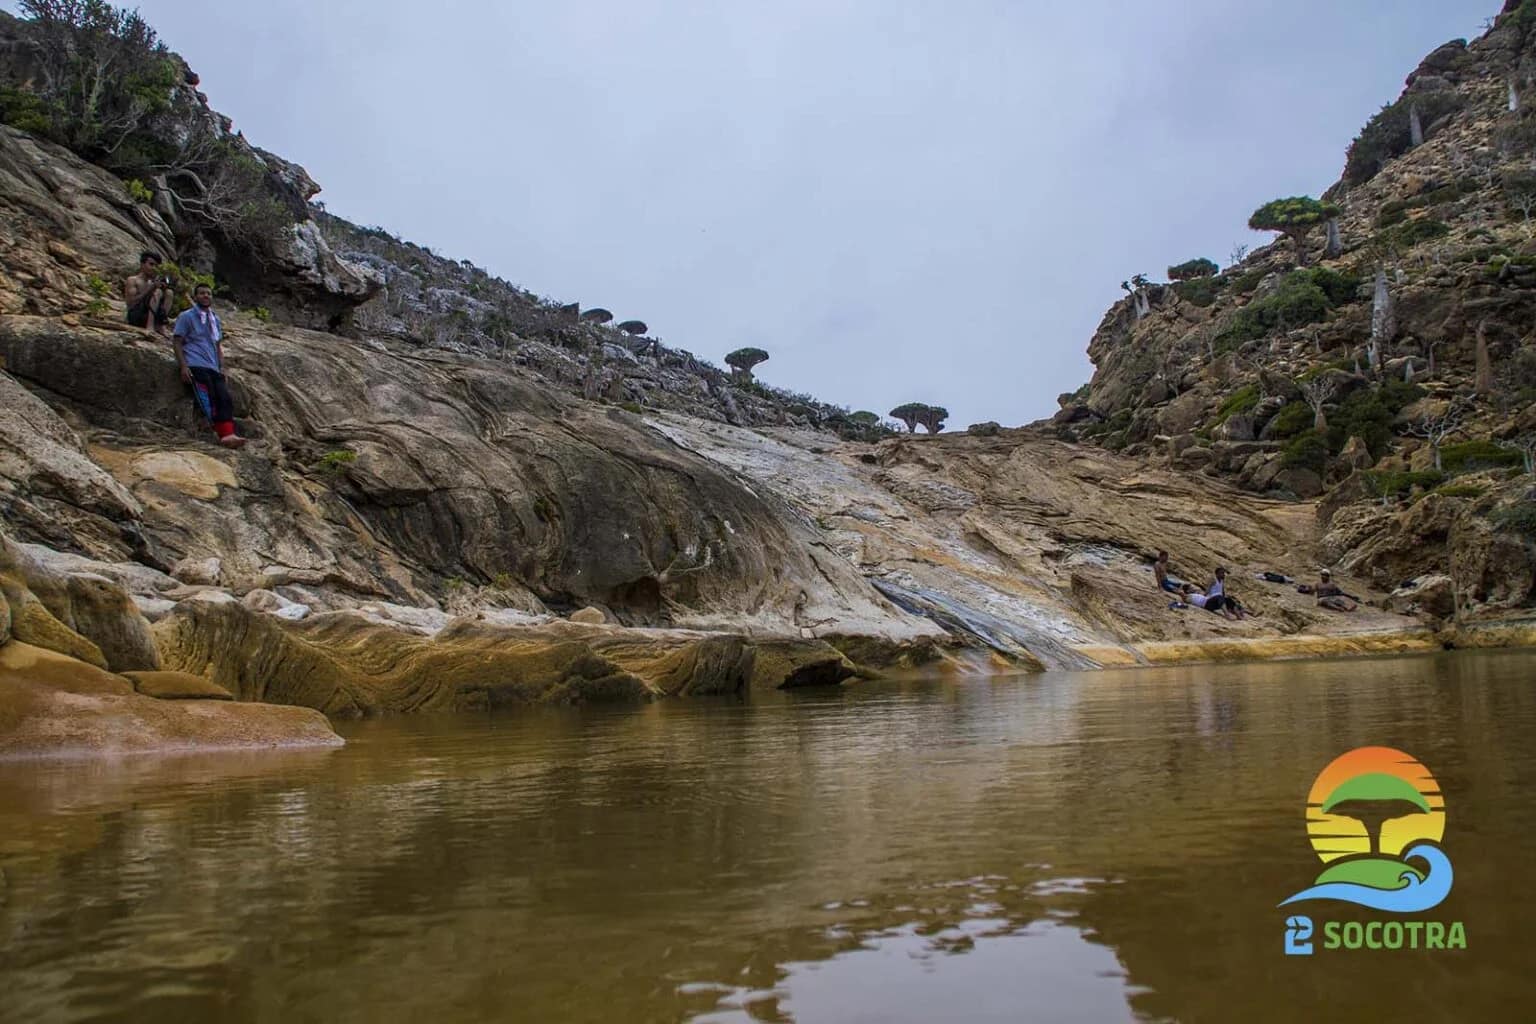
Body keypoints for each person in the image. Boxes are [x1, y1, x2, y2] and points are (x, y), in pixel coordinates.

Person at [173, 284, 247, 448]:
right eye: (201, 293)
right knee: (208, 395)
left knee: (225, 397)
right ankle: (221, 433)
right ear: (195, 296)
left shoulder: (215, 319)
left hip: (213, 366)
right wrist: (183, 366)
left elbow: (217, 345)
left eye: (208, 293)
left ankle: (229, 433)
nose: (205, 296)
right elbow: (177, 341)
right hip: (195, 363)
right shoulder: (187, 316)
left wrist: (222, 368)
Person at [123, 252, 174, 336]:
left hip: (149, 313)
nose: (153, 268)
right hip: (135, 315)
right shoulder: (133, 280)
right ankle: (149, 326)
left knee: (169, 292)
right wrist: (150, 289)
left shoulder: (153, 281)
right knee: (157, 292)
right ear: (142, 264)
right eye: (151, 264)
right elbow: (130, 302)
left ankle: (160, 324)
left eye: (156, 266)